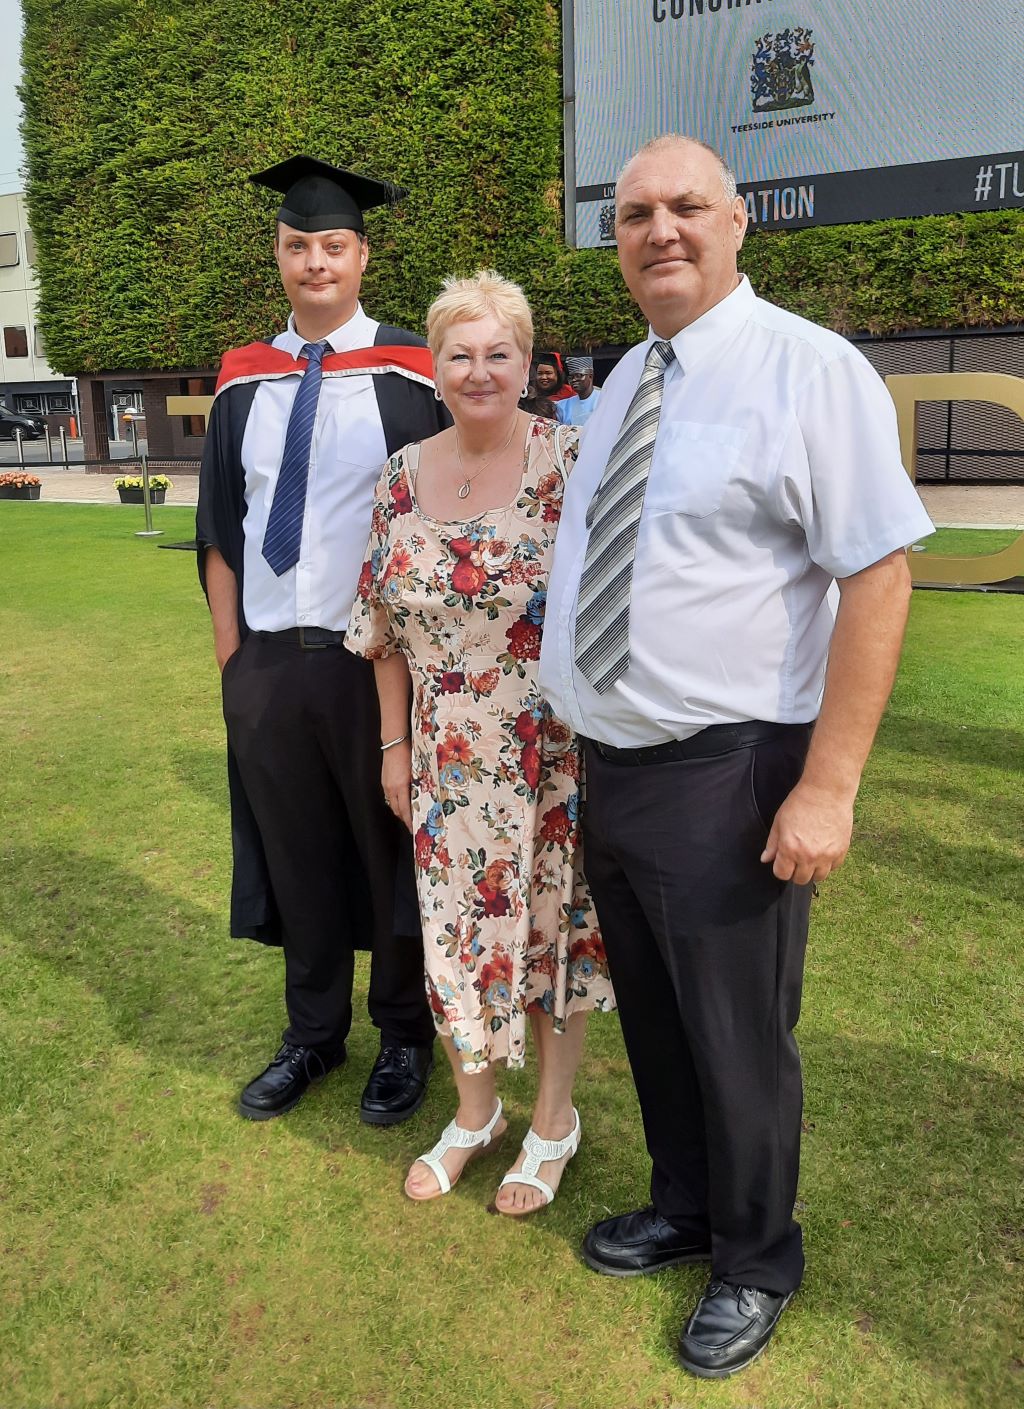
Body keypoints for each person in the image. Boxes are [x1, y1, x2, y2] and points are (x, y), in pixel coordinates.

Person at [538, 136, 933, 1377]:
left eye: (686, 206)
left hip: (732, 772)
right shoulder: (623, 382)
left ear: (738, 220)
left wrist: (828, 785)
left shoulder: (809, 370)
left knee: (737, 1036)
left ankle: (757, 1256)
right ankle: (687, 1207)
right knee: (659, 1022)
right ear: (616, 241)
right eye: (635, 213)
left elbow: (878, 574)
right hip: (617, 766)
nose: (660, 229)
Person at [345, 270, 614, 1214]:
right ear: (435, 367)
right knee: (454, 934)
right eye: (460, 354)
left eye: (499, 352)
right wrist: (393, 746)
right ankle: (475, 1113)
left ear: (528, 363)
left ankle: (553, 1121)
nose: (479, 370)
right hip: (443, 756)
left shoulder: (570, 460)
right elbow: (378, 625)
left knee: (550, 936)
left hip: (550, 752)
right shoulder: (399, 474)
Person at [196, 156, 447, 1126]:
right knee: (295, 850)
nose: (315, 262)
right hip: (267, 661)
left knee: (388, 849)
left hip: (371, 662)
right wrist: (233, 660)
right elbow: (221, 526)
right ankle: (312, 1033)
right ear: (278, 254)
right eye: (298, 245)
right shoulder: (241, 382)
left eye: (332, 245)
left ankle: (403, 1033)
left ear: (361, 255)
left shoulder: (409, 372)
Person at [556, 355, 602, 428]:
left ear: (590, 376)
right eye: (571, 377)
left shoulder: (603, 399)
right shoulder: (562, 406)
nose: (574, 380)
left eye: (579, 375)